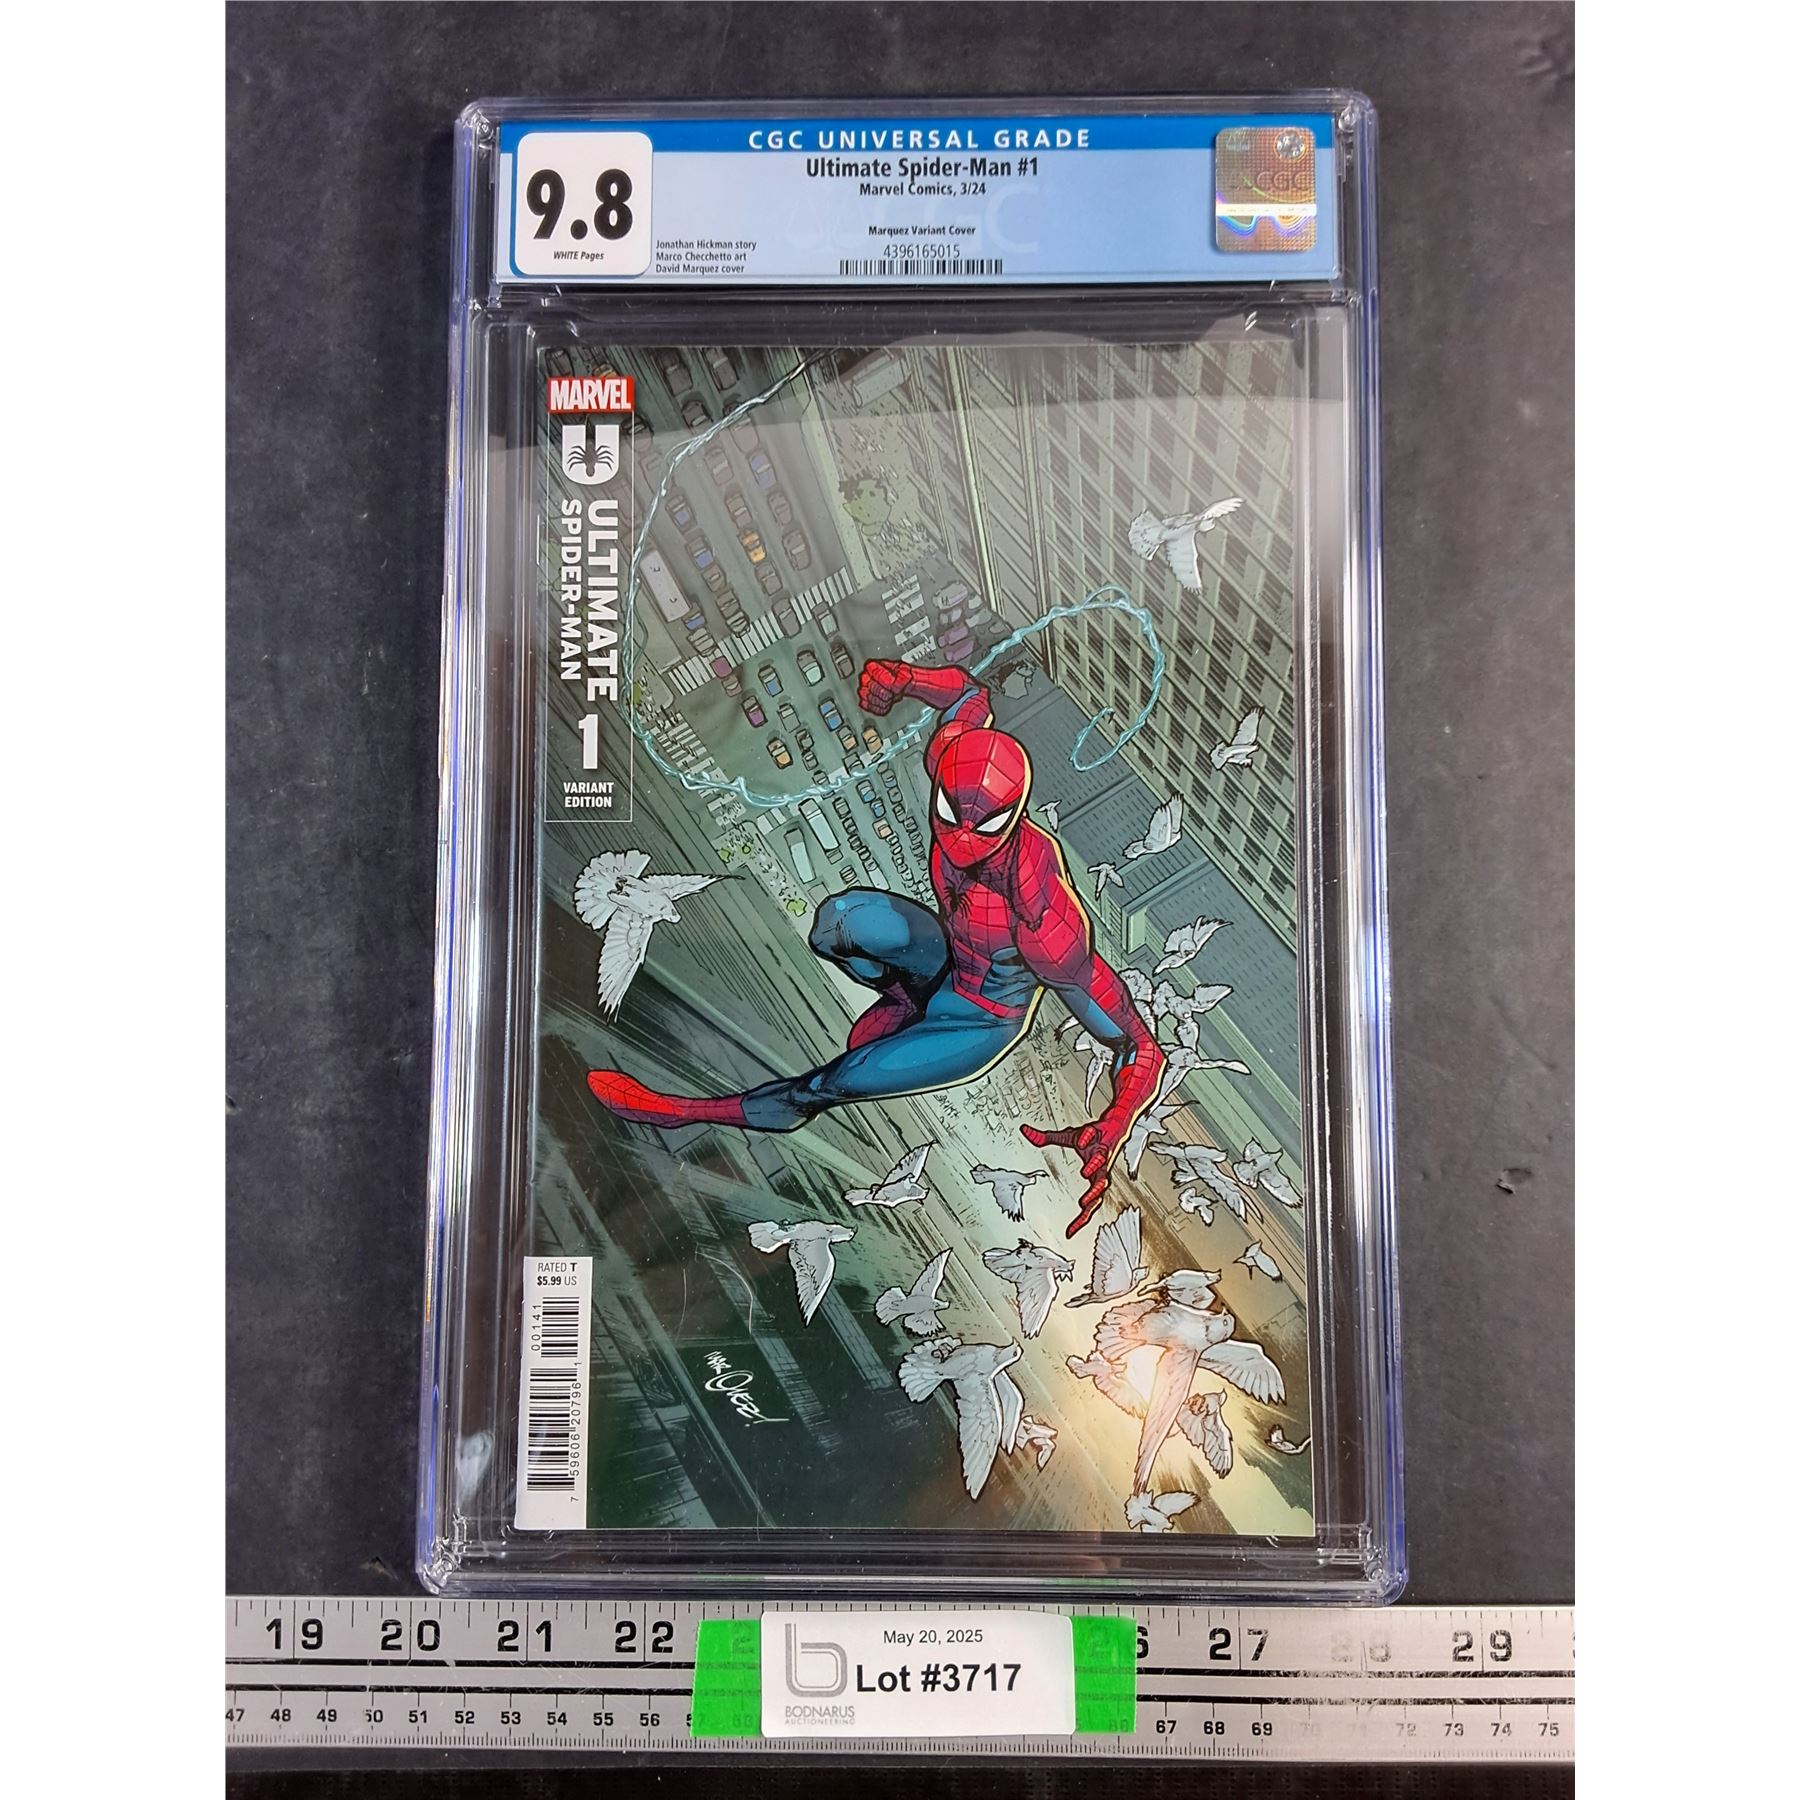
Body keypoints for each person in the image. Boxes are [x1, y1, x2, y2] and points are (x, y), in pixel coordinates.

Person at [586, 658, 1166, 1235]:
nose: (962, 841)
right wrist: (906, 680)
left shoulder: (1043, 914)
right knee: (837, 923)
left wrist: (1114, 1123)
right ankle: (900, 997)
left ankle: (679, 1112)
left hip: (979, 1018)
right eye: (951, 817)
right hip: (943, 959)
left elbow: (1139, 1044)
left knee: (831, 1082)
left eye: (984, 828)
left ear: (1011, 818)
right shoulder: (955, 759)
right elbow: (967, 694)